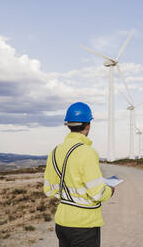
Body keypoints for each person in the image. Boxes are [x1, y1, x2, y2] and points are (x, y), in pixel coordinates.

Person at [43, 102, 114, 247]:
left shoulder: (54, 152)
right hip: (84, 225)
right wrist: (110, 190)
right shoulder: (87, 152)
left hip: (62, 222)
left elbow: (48, 190)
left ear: (68, 125)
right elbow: (97, 193)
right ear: (88, 125)